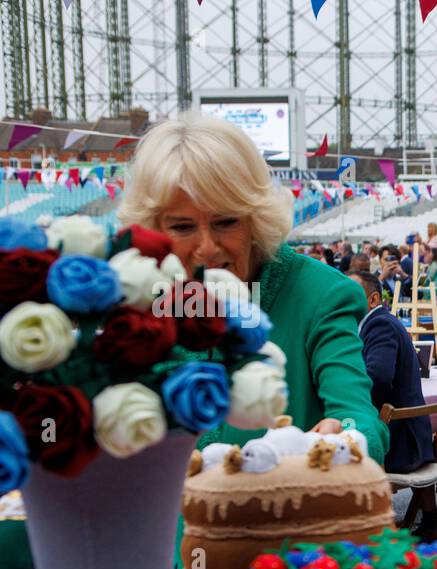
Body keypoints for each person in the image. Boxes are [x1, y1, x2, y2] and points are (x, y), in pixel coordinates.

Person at [118, 113, 388, 460]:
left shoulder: (321, 294)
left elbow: (358, 419)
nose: (208, 248)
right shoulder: (143, 297)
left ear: (256, 218)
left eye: (226, 221)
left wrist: (344, 442)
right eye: (183, 227)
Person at [347, 270, 435, 475]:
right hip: (412, 436)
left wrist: (349, 396)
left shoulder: (379, 324)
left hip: (400, 441)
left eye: (351, 293)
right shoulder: (379, 321)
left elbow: (378, 377)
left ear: (373, 299)